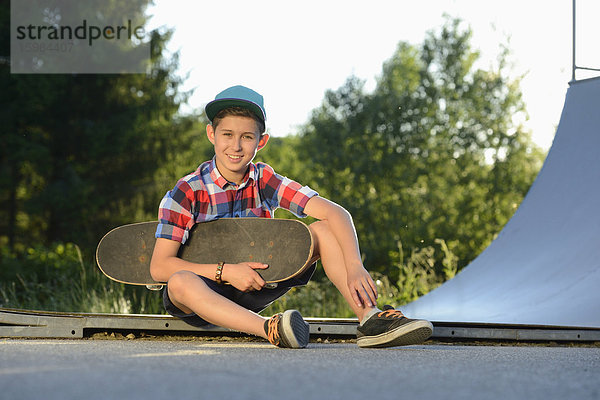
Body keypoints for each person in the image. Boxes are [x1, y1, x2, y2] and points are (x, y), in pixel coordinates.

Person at [150, 85, 433, 349]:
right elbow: (160, 267)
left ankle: (369, 318)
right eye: (227, 134)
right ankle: (271, 329)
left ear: (261, 141)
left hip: (258, 284)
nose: (236, 146)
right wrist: (227, 271)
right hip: (202, 294)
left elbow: (336, 213)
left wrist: (355, 264)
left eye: (247, 137)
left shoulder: (265, 179)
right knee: (178, 282)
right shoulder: (186, 191)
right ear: (211, 134)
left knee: (323, 230)